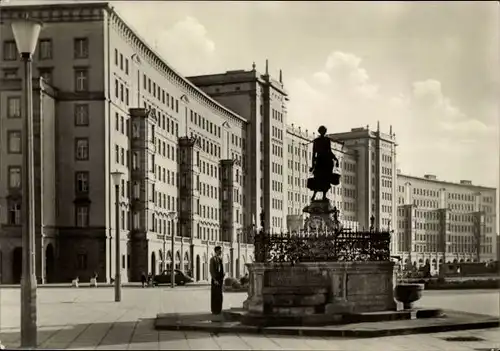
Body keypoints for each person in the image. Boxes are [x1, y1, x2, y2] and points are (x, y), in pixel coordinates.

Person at [308, 125, 339, 201]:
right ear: (324, 132)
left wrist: (313, 166)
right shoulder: (326, 140)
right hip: (326, 162)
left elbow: (313, 154)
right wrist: (335, 158)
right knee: (326, 180)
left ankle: (314, 195)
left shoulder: (316, 140)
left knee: (317, 179)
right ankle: (323, 196)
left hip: (319, 162)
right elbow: (329, 151)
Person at [209, 246, 225, 316]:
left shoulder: (220, 259)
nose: (221, 252)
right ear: (216, 251)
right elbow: (211, 270)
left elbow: (221, 269)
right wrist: (215, 279)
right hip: (215, 280)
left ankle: (219, 309)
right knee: (215, 295)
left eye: (221, 251)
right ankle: (214, 310)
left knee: (220, 295)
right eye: (219, 251)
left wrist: (223, 275)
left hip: (220, 280)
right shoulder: (213, 259)